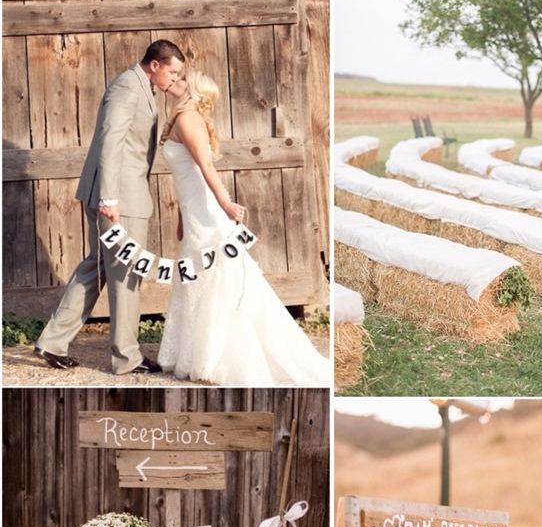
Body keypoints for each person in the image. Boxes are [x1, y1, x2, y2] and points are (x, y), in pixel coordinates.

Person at [157, 68, 330, 385]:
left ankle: (220, 354)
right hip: (195, 212)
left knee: (217, 275)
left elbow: (206, 167)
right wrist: (181, 218)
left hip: (208, 213)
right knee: (198, 275)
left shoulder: (188, 120)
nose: (176, 81)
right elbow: (187, 177)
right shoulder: (182, 120)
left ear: (192, 93)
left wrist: (224, 204)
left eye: (183, 80)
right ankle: (197, 351)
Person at [35, 42, 186, 376]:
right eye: (172, 71)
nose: (175, 78)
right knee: (125, 273)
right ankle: (126, 358)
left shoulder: (138, 84)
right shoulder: (127, 87)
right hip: (120, 198)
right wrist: (109, 198)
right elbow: (110, 140)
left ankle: (52, 342)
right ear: (154, 65)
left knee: (99, 266)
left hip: (113, 194)